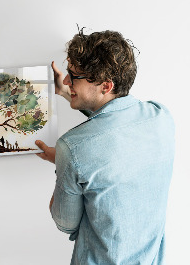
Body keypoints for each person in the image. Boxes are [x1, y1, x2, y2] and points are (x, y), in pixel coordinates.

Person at [35, 29, 175, 264]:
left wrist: (63, 162)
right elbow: (114, 122)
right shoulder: (161, 117)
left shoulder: (72, 148)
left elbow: (65, 223)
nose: (67, 80)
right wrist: (68, 93)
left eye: (74, 76)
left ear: (106, 86)